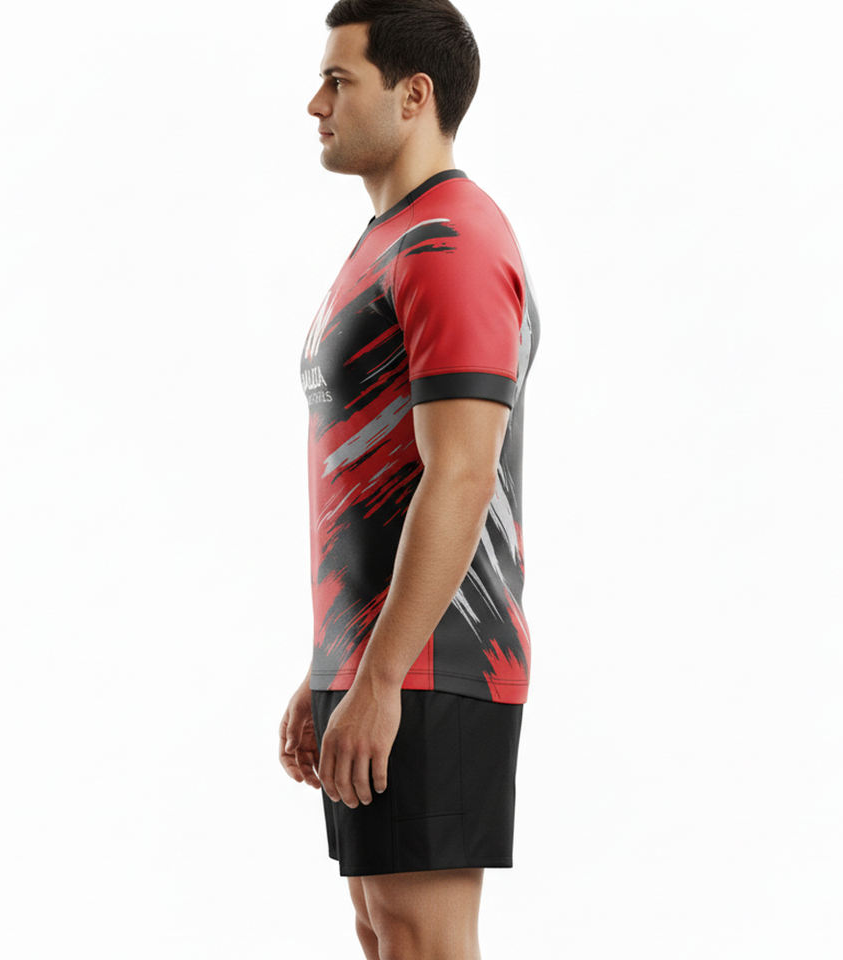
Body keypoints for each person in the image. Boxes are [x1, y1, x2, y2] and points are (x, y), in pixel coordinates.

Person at [278, 2, 541, 957]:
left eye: (338, 80)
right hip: (385, 660)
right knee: (383, 928)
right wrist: (333, 667)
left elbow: (461, 473)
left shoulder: (452, 243)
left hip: (437, 660)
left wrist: (381, 675)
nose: (316, 104)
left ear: (413, 94)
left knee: (421, 937)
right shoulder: (391, 239)